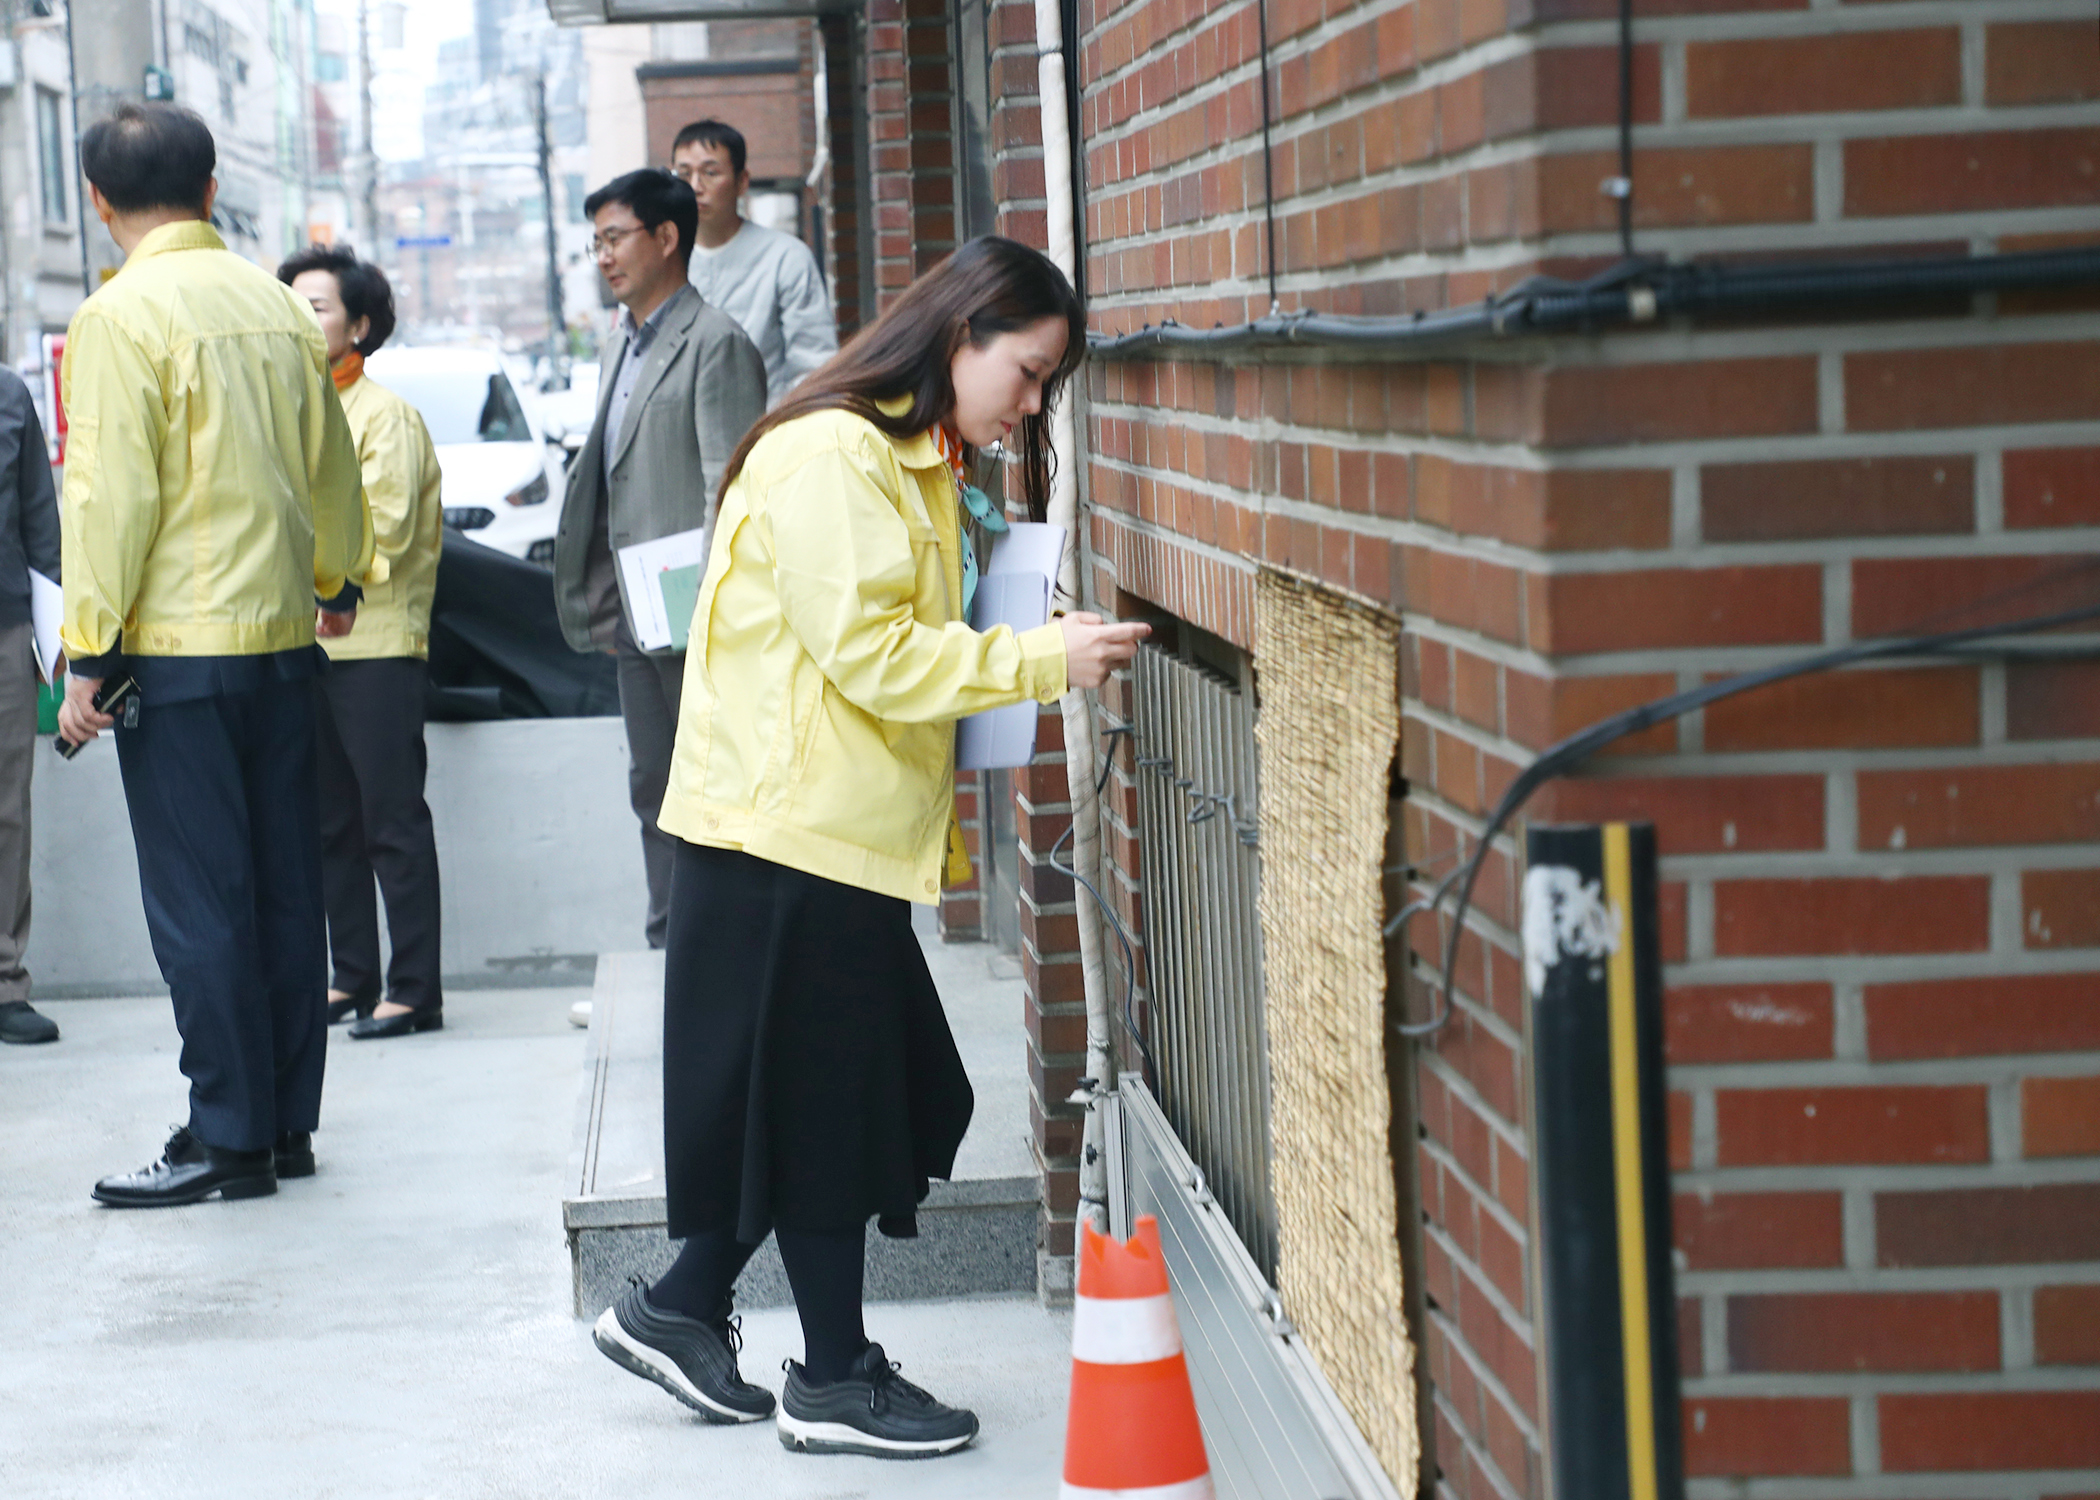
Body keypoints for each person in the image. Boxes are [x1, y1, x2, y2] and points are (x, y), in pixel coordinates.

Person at [589, 236, 1148, 1457]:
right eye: (1031, 371)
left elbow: (905, 626)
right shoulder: (834, 453)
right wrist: (1045, 662)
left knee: (835, 1100)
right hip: (786, 837)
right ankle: (828, 1377)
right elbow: (877, 656)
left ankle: (685, 1308)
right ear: (963, 335)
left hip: (820, 838)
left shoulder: (911, 459)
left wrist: (1019, 622)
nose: (1034, 403)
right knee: (832, 1106)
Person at [58, 103, 371, 1206]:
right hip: (284, 646)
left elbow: (107, 499)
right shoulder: (280, 310)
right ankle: (284, 1125)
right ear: (209, 190)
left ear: (100, 204)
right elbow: (329, 463)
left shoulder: (115, 316)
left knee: (202, 905)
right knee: (289, 894)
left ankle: (225, 1137)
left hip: (175, 662)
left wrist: (86, 655)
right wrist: (338, 581)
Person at [551, 168, 766, 952]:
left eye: (614, 238)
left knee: (709, 783)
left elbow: (730, 491)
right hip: (633, 615)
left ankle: (722, 942)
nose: (602, 256)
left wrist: (713, 609)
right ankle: (670, 937)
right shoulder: (622, 346)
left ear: (666, 237)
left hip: (693, 614)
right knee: (653, 785)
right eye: (596, 242)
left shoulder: (716, 344)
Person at [278, 245, 446, 1042]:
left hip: (375, 647)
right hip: (302, 646)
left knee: (390, 822)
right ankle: (351, 977)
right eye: (292, 304)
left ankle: (415, 989)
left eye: (317, 306)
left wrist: (300, 563)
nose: (301, 318)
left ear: (362, 325)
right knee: (329, 828)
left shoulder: (386, 418)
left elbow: (382, 535)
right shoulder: (291, 414)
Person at [672, 119, 837, 405]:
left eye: (710, 172)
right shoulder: (665, 263)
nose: (695, 186)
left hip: (767, 434)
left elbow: (814, 365)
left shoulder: (785, 257)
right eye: (684, 175)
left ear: (742, 182)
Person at [0, 365, 60, 1046]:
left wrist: (58, 647)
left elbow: (42, 527)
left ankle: (4, 982)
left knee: (6, 811)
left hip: (5, 626)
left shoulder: (10, 395)